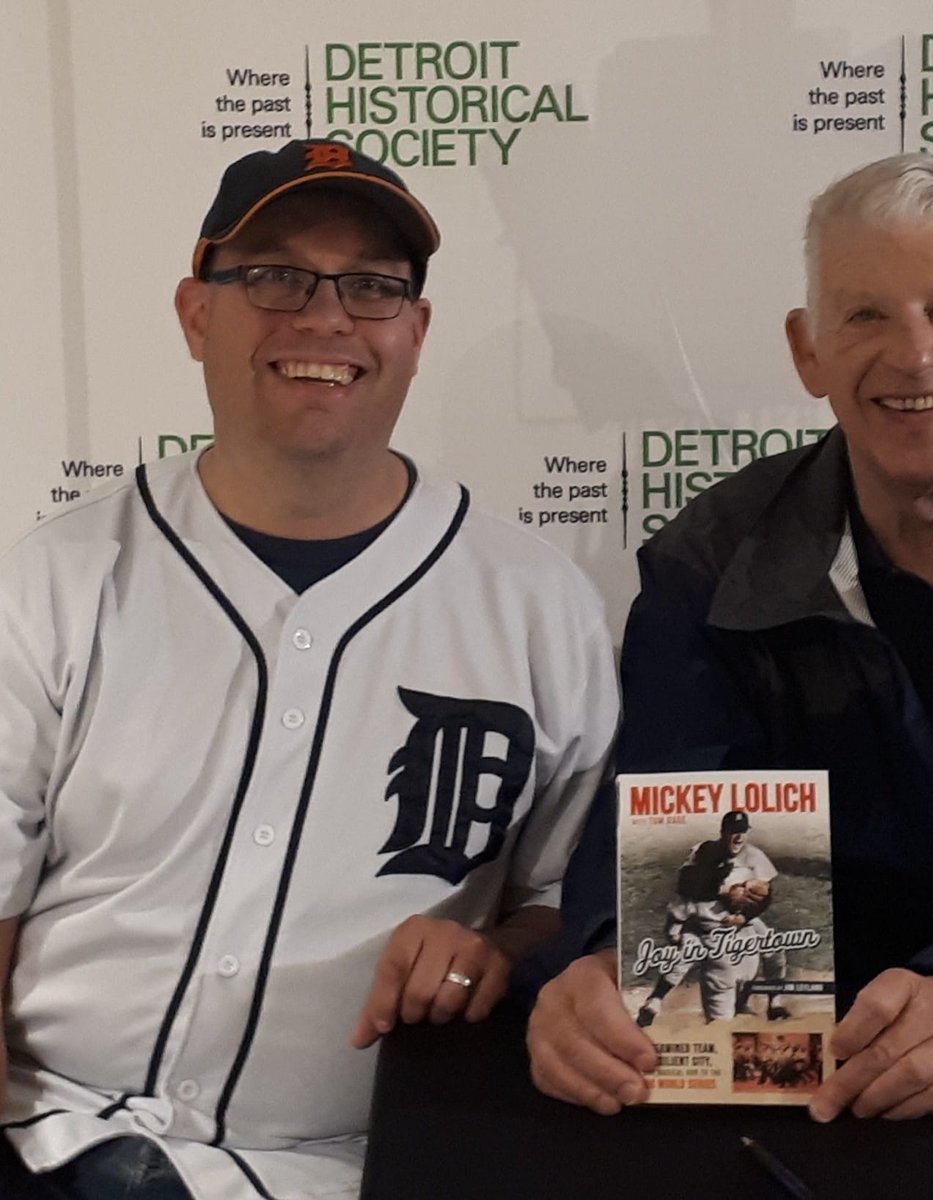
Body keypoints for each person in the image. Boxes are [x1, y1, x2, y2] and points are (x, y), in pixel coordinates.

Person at [0, 140, 618, 1199]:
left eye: (372, 286)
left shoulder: (537, 603)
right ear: (197, 313)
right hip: (49, 1134)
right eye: (274, 275)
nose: (325, 317)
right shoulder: (59, 578)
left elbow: (574, 900)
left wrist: (498, 952)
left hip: (357, 1167)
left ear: (414, 332)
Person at [527, 152, 933, 1124]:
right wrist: (607, 966)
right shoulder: (709, 564)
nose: (911, 354)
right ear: (807, 352)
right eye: (865, 315)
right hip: (836, 1061)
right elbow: (696, 864)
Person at [633, 810, 788, 1026]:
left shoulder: (754, 856)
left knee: (773, 949)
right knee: (685, 957)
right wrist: (724, 891)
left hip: (739, 921)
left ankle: (775, 1002)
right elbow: (687, 883)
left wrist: (744, 916)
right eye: (733, 832)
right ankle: (655, 1001)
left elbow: (765, 895)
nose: (739, 837)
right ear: (723, 833)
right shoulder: (704, 852)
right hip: (704, 924)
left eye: (742, 832)